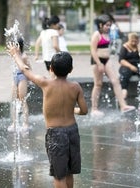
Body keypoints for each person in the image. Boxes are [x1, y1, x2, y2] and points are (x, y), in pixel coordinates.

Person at [7, 43, 88, 188]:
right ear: (71, 69)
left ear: (51, 68)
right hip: (72, 132)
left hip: (55, 134)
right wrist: (74, 110)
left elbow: (25, 71)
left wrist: (15, 55)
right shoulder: (75, 87)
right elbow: (84, 110)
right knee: (69, 172)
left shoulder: (46, 83)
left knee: (59, 175)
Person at [90, 14, 135, 117]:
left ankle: (123, 105)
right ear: (100, 25)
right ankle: (94, 109)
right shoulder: (96, 35)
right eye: (106, 25)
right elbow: (93, 50)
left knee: (115, 80)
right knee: (98, 84)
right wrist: (99, 63)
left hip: (107, 60)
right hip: (97, 60)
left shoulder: (108, 33)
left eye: (109, 25)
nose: (108, 27)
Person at [7, 37, 31, 133]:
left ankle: (25, 123)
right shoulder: (13, 55)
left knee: (22, 99)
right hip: (15, 77)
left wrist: (30, 79)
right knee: (14, 100)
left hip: (22, 77)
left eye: (14, 45)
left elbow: (29, 68)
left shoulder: (24, 56)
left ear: (18, 46)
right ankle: (14, 123)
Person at [119, 32, 140, 100]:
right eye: (132, 41)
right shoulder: (124, 47)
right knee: (125, 75)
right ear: (129, 39)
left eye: (135, 41)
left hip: (137, 65)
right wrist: (131, 66)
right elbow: (121, 60)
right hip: (127, 66)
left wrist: (139, 47)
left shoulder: (138, 47)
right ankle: (123, 93)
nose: (133, 43)